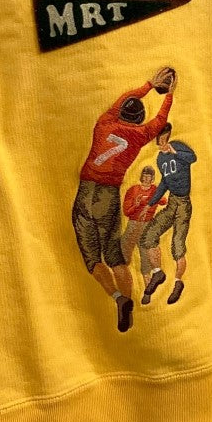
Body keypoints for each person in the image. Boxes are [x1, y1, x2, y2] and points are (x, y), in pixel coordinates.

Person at [72, 67, 176, 331]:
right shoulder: (139, 136)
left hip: (85, 191)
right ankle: (127, 300)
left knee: (92, 259)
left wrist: (149, 85)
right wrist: (168, 94)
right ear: (139, 120)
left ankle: (118, 297)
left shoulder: (104, 123)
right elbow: (160, 120)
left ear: (119, 112)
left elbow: (123, 100)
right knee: (114, 256)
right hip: (107, 195)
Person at [140, 123, 197, 306]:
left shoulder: (178, 147)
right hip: (172, 202)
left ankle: (178, 283)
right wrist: (150, 203)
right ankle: (158, 273)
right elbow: (164, 182)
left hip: (183, 204)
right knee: (149, 236)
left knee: (177, 245)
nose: (162, 145)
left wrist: (174, 151)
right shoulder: (160, 159)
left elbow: (193, 158)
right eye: (159, 142)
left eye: (164, 140)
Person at [121, 166, 167, 278]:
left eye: (149, 176)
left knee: (146, 256)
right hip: (133, 223)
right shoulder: (133, 189)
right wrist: (136, 205)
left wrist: (151, 199)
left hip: (147, 225)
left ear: (152, 178)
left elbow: (164, 201)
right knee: (123, 251)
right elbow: (126, 211)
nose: (146, 178)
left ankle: (148, 282)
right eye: (145, 176)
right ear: (141, 176)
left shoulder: (155, 190)